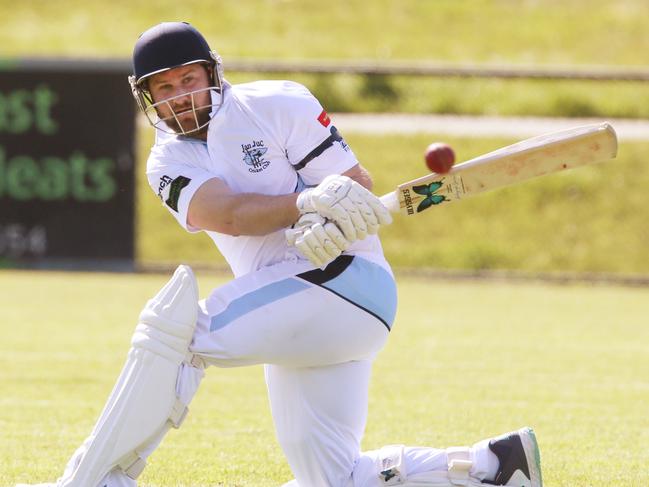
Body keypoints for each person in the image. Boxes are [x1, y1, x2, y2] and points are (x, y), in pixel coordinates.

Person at [19, 22, 543, 487]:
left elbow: (355, 180)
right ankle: (494, 465)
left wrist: (330, 212)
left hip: (345, 280)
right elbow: (227, 213)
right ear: (148, 98)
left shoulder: (279, 103)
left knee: (173, 335)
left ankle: (90, 479)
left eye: (188, 80)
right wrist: (303, 206)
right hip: (304, 308)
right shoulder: (167, 161)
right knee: (329, 478)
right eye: (165, 88)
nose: (180, 96)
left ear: (211, 74)